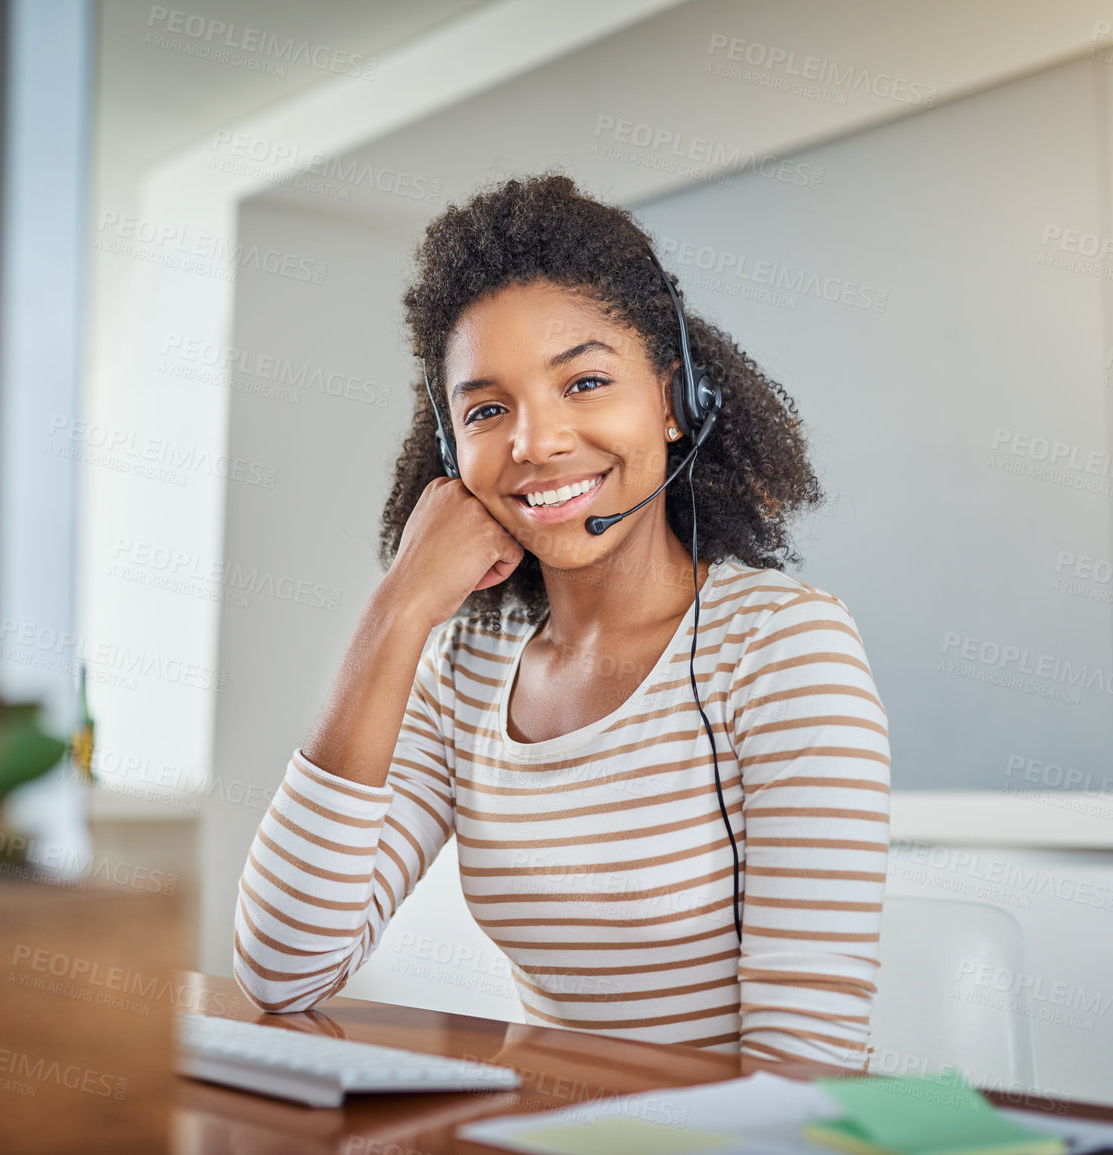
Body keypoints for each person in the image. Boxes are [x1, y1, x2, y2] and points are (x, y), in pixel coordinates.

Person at [233, 173, 892, 1070]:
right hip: (560, 1124)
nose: (534, 442)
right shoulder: (467, 664)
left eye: (583, 381)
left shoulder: (783, 647)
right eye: (487, 409)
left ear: (671, 403)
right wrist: (398, 608)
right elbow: (280, 969)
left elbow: (803, 1066)